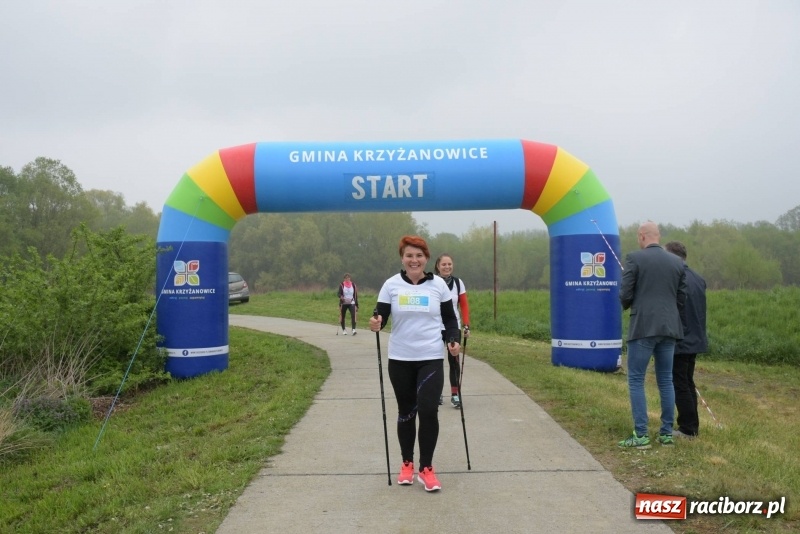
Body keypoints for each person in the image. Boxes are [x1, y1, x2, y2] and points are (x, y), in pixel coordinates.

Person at [369, 235, 461, 492]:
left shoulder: (438, 287)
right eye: (409, 255)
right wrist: (376, 323)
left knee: (429, 410)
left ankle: (427, 468)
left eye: (419, 255)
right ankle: (407, 463)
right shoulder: (391, 285)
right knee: (406, 412)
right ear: (402, 258)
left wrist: (453, 340)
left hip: (430, 357)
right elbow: (380, 317)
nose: (414, 260)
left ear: (426, 259)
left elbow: (450, 321)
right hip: (400, 359)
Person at [618, 221, 687, 449]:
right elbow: (681, 296)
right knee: (665, 380)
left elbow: (625, 293)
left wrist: (629, 304)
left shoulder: (635, 258)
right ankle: (666, 434)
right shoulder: (677, 262)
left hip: (644, 327)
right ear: (657, 236)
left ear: (641, 236)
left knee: (636, 379)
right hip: (669, 327)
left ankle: (641, 435)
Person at [665, 241, 708, 439]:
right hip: (695, 338)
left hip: (680, 339)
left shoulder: (675, 277)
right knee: (687, 382)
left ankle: (687, 428)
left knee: (679, 383)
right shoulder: (698, 278)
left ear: (672, 257)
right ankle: (692, 425)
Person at [434, 253, 471, 408]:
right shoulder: (432, 281)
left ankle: (455, 394)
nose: (447, 267)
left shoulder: (457, 282)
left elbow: (463, 305)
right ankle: (436, 393)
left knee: (453, 361)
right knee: (434, 361)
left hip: (453, 326)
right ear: (438, 266)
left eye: (449, 264)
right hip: (435, 327)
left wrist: (466, 325)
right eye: (444, 264)